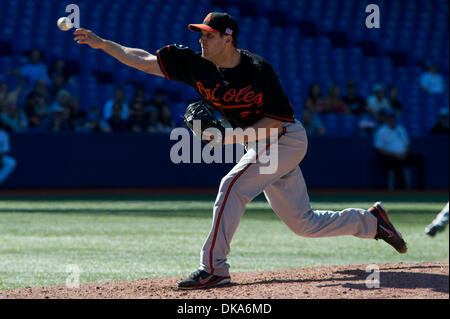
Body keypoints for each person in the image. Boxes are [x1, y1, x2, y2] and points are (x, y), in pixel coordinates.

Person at [74, 12, 408, 290]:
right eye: (200, 34)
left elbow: (275, 124)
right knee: (303, 224)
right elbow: (145, 61)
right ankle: (371, 221)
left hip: (285, 139)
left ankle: (214, 268)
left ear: (227, 39)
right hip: (258, 143)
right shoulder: (194, 63)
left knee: (232, 187)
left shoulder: (257, 70)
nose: (200, 39)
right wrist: (104, 44)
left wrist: (225, 139)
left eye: (208, 35)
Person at [374, 109, 425, 190]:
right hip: (390, 157)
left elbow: (407, 144)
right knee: (395, 163)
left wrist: (404, 153)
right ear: (386, 119)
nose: (391, 120)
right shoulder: (382, 131)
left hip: (403, 155)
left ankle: (422, 186)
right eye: (389, 118)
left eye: (392, 118)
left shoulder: (400, 129)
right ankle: (404, 186)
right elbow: (379, 148)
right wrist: (395, 154)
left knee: (420, 158)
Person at [0, 120, 17, 186]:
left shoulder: (3, 134)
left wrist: (0, 159)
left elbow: (4, 149)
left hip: (1, 156)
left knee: (11, 162)